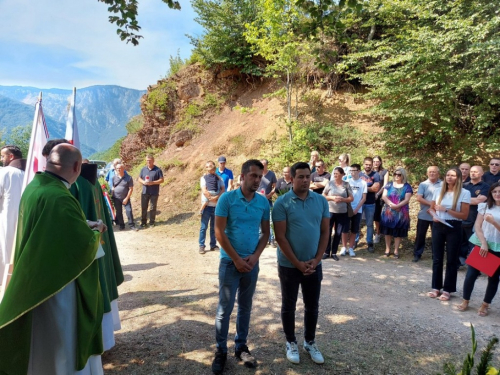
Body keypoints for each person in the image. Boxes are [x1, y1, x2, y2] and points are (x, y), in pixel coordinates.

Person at [0, 144, 106, 375]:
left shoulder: (36, 186)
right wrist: (96, 231)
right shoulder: (60, 196)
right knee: (60, 340)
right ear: (77, 166)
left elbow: (48, 227)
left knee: (41, 337)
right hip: (58, 283)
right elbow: (82, 247)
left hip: (36, 277)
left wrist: (81, 224)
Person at [211, 160, 270, 374]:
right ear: (243, 176)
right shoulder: (227, 199)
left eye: (260, 176)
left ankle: (240, 346)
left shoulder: (263, 203)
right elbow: (219, 231)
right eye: (253, 175)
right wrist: (236, 259)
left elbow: (265, 233)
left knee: (245, 306)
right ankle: (220, 351)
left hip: (251, 264)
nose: (257, 180)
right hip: (229, 262)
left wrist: (254, 257)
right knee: (224, 309)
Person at [273, 162, 330, 365]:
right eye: (300, 177)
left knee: (312, 306)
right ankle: (291, 342)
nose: (305, 180)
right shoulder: (282, 203)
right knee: (289, 305)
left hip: (314, 265)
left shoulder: (321, 201)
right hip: (289, 266)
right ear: (292, 178)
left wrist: (317, 259)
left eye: (308, 176)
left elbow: (325, 232)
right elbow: (280, 237)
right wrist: (297, 263)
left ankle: (310, 341)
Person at [456, 182, 500, 317]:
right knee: (471, 274)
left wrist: (493, 222)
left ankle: (485, 304)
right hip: (481, 244)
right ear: (491, 194)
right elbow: (477, 226)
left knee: (493, 278)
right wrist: (483, 243)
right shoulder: (485, 206)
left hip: (498, 247)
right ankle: (465, 300)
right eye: (495, 192)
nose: (498, 194)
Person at [428, 167, 470, 301]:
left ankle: (448, 289)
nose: (449, 177)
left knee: (451, 259)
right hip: (438, 225)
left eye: (452, 175)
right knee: (437, 258)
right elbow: (431, 208)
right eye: (447, 175)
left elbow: (464, 215)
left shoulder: (464, 193)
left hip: (454, 226)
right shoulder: (438, 190)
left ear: (458, 178)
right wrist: (434, 215)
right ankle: (436, 287)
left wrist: (446, 210)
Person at [0, 145, 25, 284]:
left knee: (5, 253)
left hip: (5, 220)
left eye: (3, 155)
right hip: (22, 220)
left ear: (11, 157)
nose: (1, 159)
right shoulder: (29, 174)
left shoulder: (4, 173)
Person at [379, 168, 413, 258]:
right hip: (388, 211)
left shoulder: (407, 186)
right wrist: (391, 204)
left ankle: (396, 250)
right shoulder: (389, 184)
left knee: (398, 231)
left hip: (401, 212)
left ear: (403, 176)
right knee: (387, 231)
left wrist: (397, 206)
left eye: (399, 175)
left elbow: (407, 199)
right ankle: (387, 249)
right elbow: (384, 196)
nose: (396, 176)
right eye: (395, 174)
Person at [459, 166, 489, 266]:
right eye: (471, 171)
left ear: (482, 173)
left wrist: (465, 200)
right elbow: (457, 200)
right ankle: (459, 263)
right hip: (462, 217)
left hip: (477, 219)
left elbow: (480, 201)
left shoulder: (486, 186)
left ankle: (475, 266)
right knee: (460, 242)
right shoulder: (464, 185)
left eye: (475, 172)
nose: (473, 173)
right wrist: (474, 200)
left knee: (474, 243)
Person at [322, 167, 354, 259]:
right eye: (334, 173)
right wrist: (332, 198)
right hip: (330, 211)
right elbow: (323, 195)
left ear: (342, 174)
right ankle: (327, 252)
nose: (335, 175)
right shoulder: (330, 183)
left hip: (342, 212)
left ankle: (334, 253)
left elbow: (351, 198)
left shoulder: (346, 185)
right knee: (327, 231)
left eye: (337, 173)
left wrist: (342, 199)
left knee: (338, 233)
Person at [413, 166, 442, 262]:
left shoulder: (443, 184)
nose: (432, 173)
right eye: (430, 172)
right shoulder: (423, 184)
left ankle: (436, 256)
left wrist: (434, 206)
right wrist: (431, 204)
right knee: (420, 236)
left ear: (438, 173)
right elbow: (419, 198)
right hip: (424, 215)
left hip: (437, 216)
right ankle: (417, 254)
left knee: (437, 237)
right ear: (427, 173)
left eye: (434, 172)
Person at [199, 161, 225, 254]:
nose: (210, 170)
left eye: (211, 167)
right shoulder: (203, 178)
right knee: (203, 227)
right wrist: (211, 198)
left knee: (214, 228)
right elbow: (204, 190)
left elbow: (223, 189)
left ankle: (213, 245)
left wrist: (216, 198)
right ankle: (201, 245)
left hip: (216, 207)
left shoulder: (219, 179)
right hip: (207, 207)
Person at [360, 157, 381, 253]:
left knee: (369, 224)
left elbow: (375, 189)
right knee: (358, 223)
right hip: (359, 203)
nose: (368, 166)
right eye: (366, 164)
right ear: (363, 164)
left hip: (370, 203)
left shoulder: (376, 175)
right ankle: (355, 241)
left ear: (372, 165)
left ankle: (370, 243)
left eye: (370, 164)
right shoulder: (359, 174)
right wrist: (369, 188)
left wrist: (362, 187)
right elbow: (354, 187)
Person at [346, 164, 367, 256]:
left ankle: (351, 248)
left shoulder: (363, 183)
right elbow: (345, 195)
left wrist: (356, 209)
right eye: (350, 170)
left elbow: (364, 198)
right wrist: (349, 208)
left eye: (354, 170)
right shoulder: (347, 181)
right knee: (344, 229)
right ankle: (344, 247)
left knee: (354, 229)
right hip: (347, 209)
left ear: (359, 171)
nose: (352, 172)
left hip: (357, 210)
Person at [138, 154, 164, 228]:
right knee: (144, 207)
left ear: (153, 161)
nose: (148, 162)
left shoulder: (158, 170)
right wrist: (143, 182)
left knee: (152, 207)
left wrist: (153, 182)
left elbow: (162, 180)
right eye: (147, 161)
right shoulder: (143, 169)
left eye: (150, 161)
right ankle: (143, 222)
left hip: (154, 192)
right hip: (145, 191)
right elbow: (139, 178)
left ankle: (152, 222)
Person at [112, 163, 138, 231]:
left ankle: (132, 225)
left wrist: (126, 198)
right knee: (119, 212)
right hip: (116, 198)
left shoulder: (128, 178)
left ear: (123, 169)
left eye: (120, 168)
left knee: (129, 211)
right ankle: (121, 225)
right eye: (117, 169)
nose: (119, 170)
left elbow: (131, 189)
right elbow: (113, 186)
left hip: (125, 197)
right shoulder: (114, 177)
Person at [258, 159, 277, 247]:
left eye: (264, 164)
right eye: (261, 164)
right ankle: (261, 239)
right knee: (258, 220)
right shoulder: (257, 173)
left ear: (267, 165)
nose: (263, 166)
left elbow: (275, 187)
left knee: (270, 220)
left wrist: (269, 195)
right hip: (257, 200)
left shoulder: (271, 174)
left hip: (268, 200)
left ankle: (272, 239)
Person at [373, 156, 389, 244]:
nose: (376, 163)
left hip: (380, 196)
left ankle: (378, 233)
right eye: (374, 161)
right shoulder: (369, 172)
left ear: (380, 162)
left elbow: (385, 184)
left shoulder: (384, 172)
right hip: (370, 196)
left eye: (377, 161)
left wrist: (378, 194)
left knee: (377, 215)